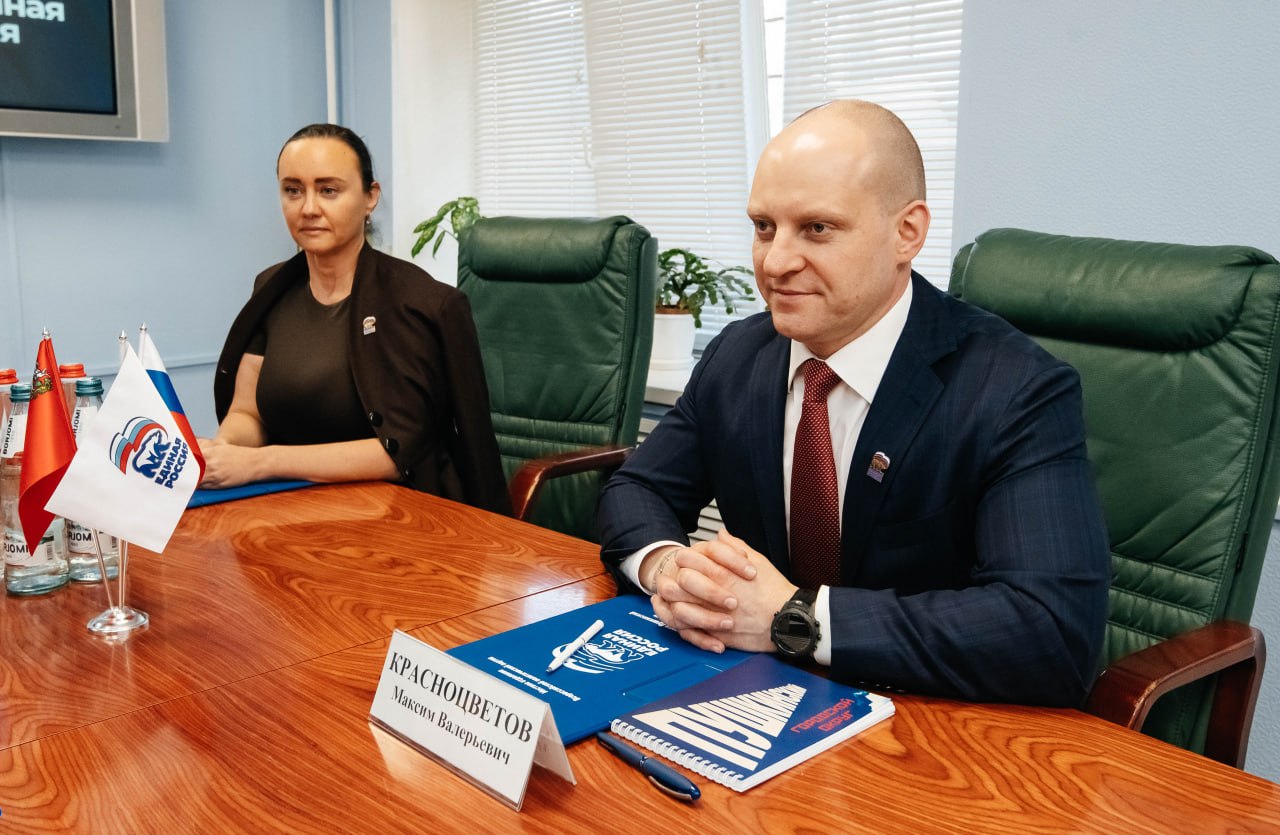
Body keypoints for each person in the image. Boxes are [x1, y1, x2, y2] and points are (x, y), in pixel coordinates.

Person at [598, 100, 1110, 707]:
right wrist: (670, 570)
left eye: (817, 228)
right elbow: (637, 489)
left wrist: (793, 617)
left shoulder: (1015, 388)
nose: (775, 262)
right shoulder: (739, 353)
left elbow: (1050, 630)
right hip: (749, 692)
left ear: (907, 233)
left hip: (926, 717)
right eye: (764, 226)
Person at [205, 123, 510, 515]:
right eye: (293, 190)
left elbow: (398, 451)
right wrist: (223, 450)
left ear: (370, 197)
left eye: (329, 190)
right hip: (286, 509)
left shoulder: (418, 302)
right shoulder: (272, 288)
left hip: (395, 517)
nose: (308, 208)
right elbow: (248, 412)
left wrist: (260, 463)